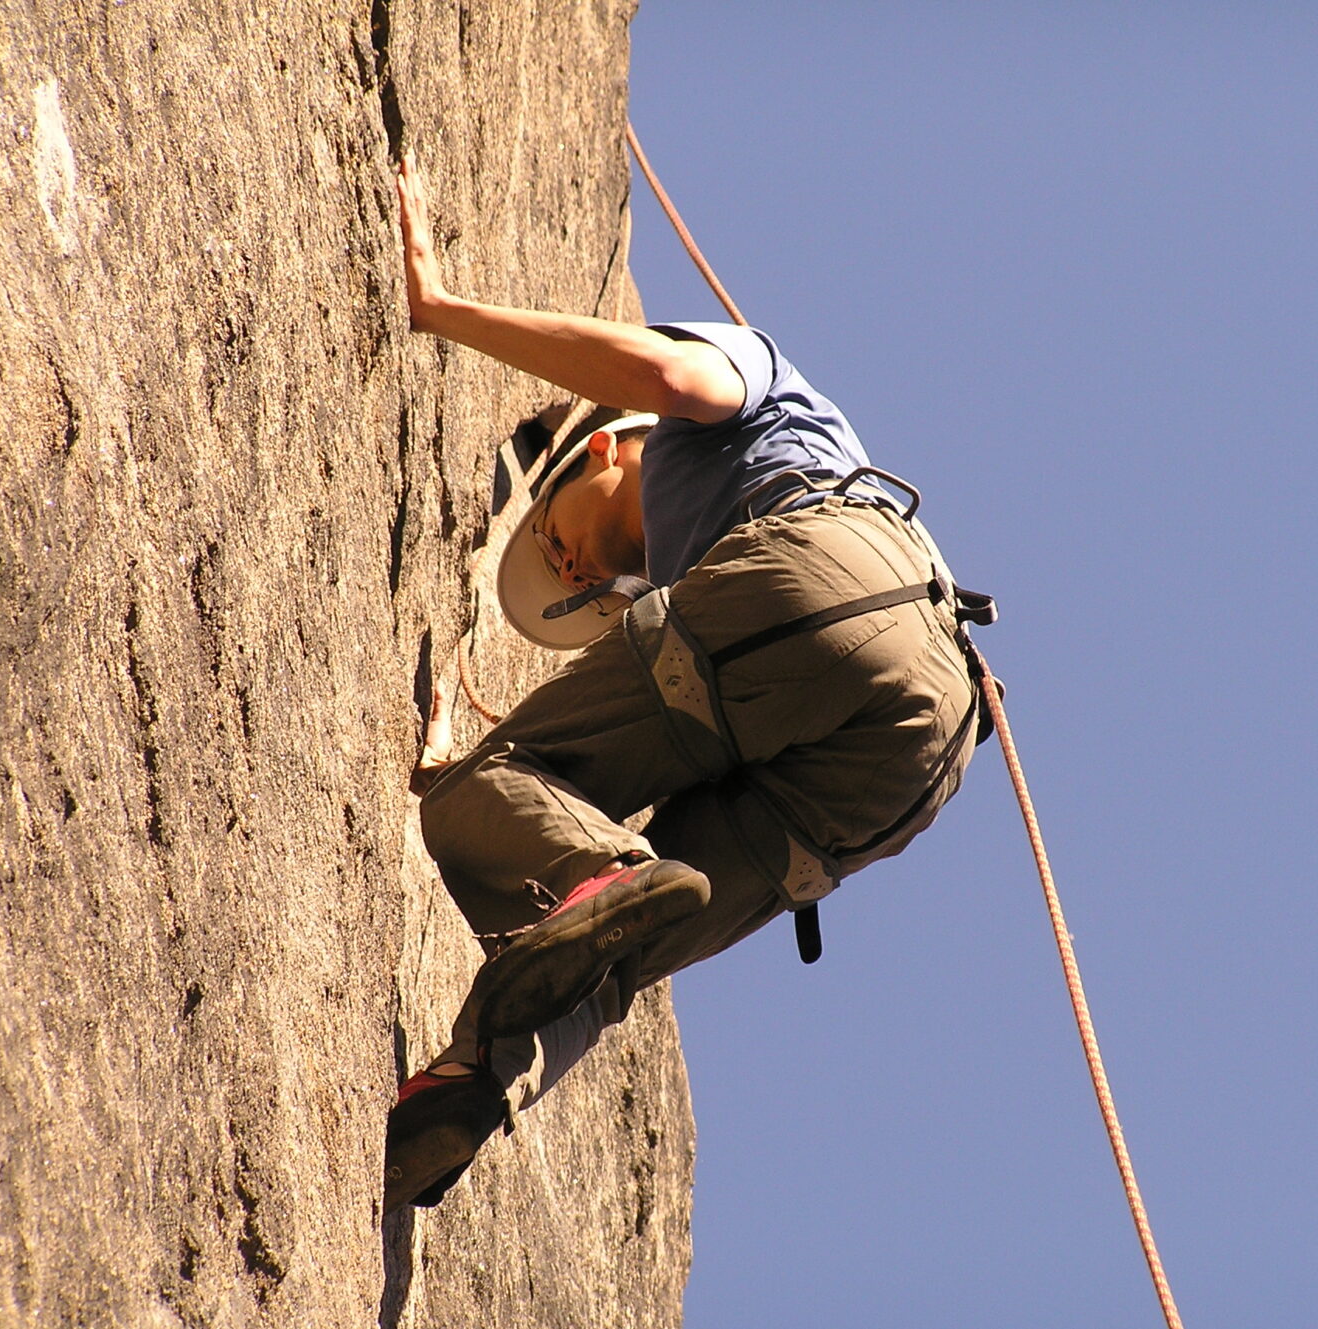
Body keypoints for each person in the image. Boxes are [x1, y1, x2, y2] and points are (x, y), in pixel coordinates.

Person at [384, 152, 991, 1209]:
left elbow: (667, 377)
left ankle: (602, 867)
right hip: (917, 758)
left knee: (492, 789)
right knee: (612, 954)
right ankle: (471, 1087)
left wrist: (441, 308)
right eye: (582, 581)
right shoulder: (698, 566)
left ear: (596, 454)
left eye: (559, 544)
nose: (577, 572)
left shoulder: (723, 403)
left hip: (834, 582)